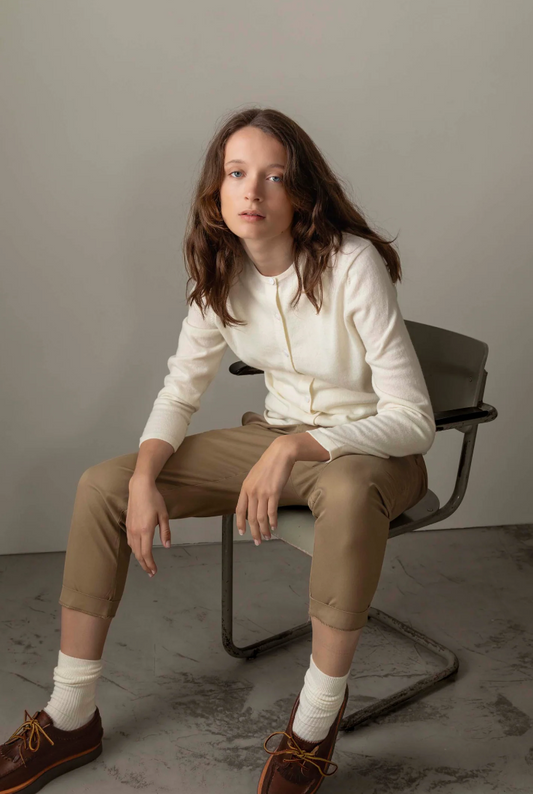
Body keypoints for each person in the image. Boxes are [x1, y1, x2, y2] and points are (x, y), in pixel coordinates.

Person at [0, 106, 435, 793]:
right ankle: (71, 714)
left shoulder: (351, 264)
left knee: (348, 495)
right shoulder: (221, 272)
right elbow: (179, 390)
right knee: (102, 485)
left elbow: (413, 419)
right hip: (274, 445)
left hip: (372, 453)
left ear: (300, 192)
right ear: (216, 190)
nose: (251, 191)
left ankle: (313, 726)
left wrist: (296, 445)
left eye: (273, 176)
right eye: (236, 173)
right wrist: (146, 475)